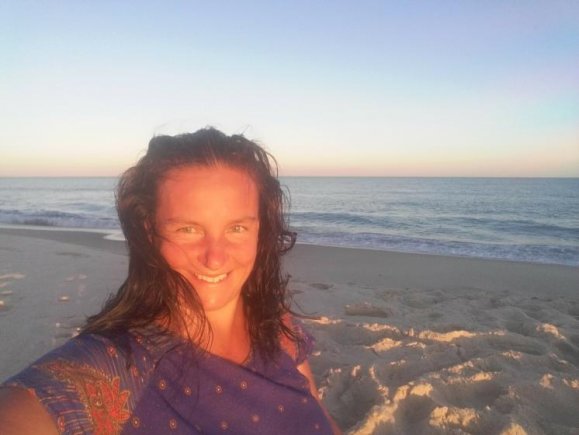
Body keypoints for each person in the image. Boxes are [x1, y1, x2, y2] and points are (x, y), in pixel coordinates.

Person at [0, 128, 340, 434]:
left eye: (237, 228)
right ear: (149, 232)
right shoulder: (117, 367)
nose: (215, 258)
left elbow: (319, 417)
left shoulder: (278, 326)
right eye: (188, 229)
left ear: (259, 230)